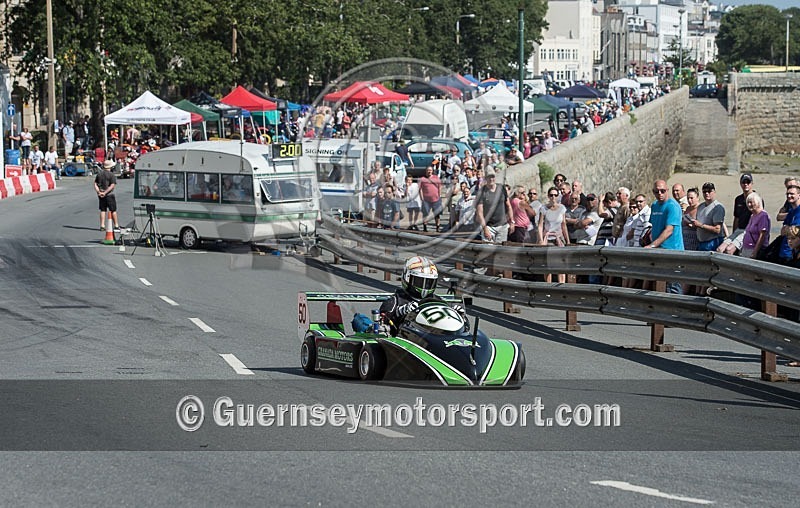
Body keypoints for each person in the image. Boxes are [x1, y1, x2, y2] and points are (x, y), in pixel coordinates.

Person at [379, 256, 466, 336]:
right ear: (407, 278)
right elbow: (382, 324)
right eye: (419, 282)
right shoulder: (396, 300)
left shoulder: (437, 300)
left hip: (433, 339)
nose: (424, 287)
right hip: (405, 339)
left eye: (428, 283)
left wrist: (458, 317)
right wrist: (399, 313)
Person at [644, 179, 684, 294]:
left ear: (667, 190)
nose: (660, 194)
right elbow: (654, 226)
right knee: (660, 283)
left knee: (673, 285)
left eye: (662, 191)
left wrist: (652, 245)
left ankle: (676, 304)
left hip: (673, 250)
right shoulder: (654, 205)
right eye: (657, 192)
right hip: (659, 250)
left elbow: (669, 230)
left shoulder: (673, 206)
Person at [718, 173, 758, 255]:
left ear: (752, 183)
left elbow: (759, 218)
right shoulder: (738, 199)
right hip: (739, 230)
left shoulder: (756, 199)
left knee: (729, 250)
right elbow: (736, 218)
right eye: (744, 182)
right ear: (740, 184)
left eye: (748, 182)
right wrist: (733, 234)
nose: (746, 184)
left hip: (748, 232)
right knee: (720, 249)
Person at [475, 169, 514, 244]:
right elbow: (479, 213)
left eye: (492, 177)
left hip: (502, 225)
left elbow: (508, 205)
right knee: (488, 248)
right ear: (486, 178)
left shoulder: (501, 188)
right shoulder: (482, 192)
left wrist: (512, 221)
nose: (491, 179)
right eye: (489, 177)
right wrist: (484, 228)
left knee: (500, 248)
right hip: (489, 226)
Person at [693, 182, 726, 252]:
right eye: (704, 191)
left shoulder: (717, 207)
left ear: (714, 192)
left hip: (712, 242)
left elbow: (717, 229)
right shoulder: (700, 206)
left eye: (709, 191)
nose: (707, 193)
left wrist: (701, 225)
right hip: (700, 242)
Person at [740, 192, 770, 259]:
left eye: (751, 202)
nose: (749, 205)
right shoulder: (752, 215)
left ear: (758, 202)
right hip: (746, 248)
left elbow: (762, 235)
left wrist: (755, 252)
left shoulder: (763, 216)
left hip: (754, 250)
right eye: (748, 202)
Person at [95, 160, 120, 231]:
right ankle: (116, 225)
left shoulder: (99, 174)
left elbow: (95, 184)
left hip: (101, 194)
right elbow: (112, 185)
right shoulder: (111, 175)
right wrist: (105, 192)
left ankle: (102, 225)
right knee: (113, 210)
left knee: (103, 210)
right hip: (109, 195)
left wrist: (99, 192)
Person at [418, 166, 443, 232]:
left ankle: (437, 227)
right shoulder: (422, 179)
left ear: (432, 171)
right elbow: (420, 189)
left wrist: (439, 195)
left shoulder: (436, 178)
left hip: (436, 199)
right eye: (428, 170)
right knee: (425, 214)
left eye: (430, 170)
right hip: (426, 200)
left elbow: (440, 187)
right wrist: (422, 198)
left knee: (437, 214)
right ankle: (425, 227)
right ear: (426, 171)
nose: (429, 171)